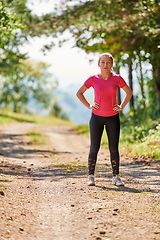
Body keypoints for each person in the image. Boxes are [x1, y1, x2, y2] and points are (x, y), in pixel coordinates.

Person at [76, 53, 132, 186]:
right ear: (98, 64)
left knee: (114, 148)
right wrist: (89, 105)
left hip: (113, 118)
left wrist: (121, 106)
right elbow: (79, 93)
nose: (105, 65)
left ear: (112, 64)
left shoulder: (117, 78)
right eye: (103, 62)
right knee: (94, 148)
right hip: (96, 118)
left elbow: (128, 92)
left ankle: (116, 177)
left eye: (108, 62)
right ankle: (90, 176)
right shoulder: (93, 79)